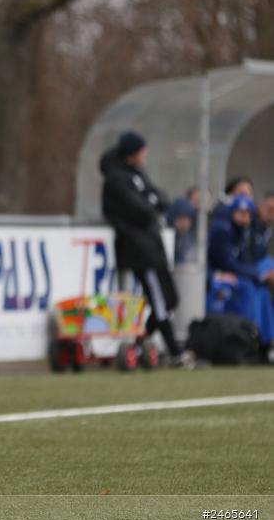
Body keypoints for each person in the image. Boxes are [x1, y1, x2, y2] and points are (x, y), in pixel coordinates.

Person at [100, 131, 193, 367]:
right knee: (160, 301)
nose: (145, 155)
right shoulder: (116, 180)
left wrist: (153, 201)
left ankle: (139, 342)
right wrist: (152, 202)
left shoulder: (137, 174)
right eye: (142, 151)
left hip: (153, 246)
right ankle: (176, 353)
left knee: (171, 299)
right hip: (139, 251)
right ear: (131, 153)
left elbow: (160, 198)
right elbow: (142, 210)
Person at [207, 194, 274, 358]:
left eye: (247, 214)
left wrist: (259, 275)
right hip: (216, 275)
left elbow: (244, 260)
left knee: (262, 292)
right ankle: (248, 337)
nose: (245, 218)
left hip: (234, 275)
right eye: (241, 213)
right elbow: (227, 263)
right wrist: (259, 275)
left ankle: (266, 341)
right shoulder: (223, 230)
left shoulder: (242, 232)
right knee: (248, 287)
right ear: (233, 212)